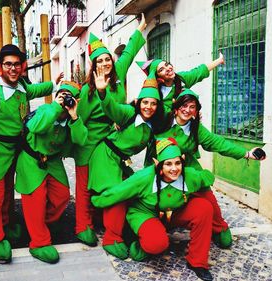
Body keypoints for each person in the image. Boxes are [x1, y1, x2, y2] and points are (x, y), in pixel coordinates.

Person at [0, 44, 61, 263]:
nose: (12, 68)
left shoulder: (21, 86)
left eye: (17, 64)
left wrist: (56, 83)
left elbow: (37, 89)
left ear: (22, 67)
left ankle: (4, 225)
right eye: (8, 64)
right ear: (1, 67)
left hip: (14, 152)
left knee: (7, 195)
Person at [154, 89, 266, 249]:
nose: (187, 110)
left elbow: (218, 143)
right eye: (184, 105)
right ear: (176, 107)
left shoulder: (196, 128)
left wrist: (246, 153)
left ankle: (218, 227)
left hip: (189, 169)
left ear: (196, 110)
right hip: (161, 170)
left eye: (192, 107)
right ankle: (153, 228)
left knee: (208, 199)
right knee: (154, 200)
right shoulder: (163, 121)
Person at [92, 138, 216, 281]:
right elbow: (118, 192)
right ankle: (138, 242)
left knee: (204, 207)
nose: (174, 168)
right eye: (168, 164)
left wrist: (204, 187)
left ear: (182, 160)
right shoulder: (144, 178)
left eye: (177, 163)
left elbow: (207, 177)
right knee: (157, 243)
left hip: (173, 214)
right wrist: (95, 202)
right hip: (145, 214)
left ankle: (198, 262)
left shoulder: (190, 176)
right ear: (157, 164)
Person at [73, 13, 147, 247]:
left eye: (107, 60)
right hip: (89, 143)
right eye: (100, 61)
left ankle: (104, 217)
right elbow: (80, 120)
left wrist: (140, 28)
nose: (105, 64)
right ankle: (82, 225)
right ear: (93, 65)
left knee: (113, 180)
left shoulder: (118, 75)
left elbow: (128, 53)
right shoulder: (88, 91)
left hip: (112, 142)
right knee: (85, 185)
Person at [88, 68, 164, 259]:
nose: (149, 107)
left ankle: (127, 230)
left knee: (134, 191)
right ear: (138, 102)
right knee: (117, 194)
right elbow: (111, 107)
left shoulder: (153, 127)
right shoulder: (128, 113)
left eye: (154, 103)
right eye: (145, 102)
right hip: (105, 156)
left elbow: (151, 156)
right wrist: (102, 92)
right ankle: (111, 238)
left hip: (120, 162)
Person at [15, 81, 86, 263]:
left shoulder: (71, 118)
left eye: (69, 97)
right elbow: (37, 127)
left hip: (52, 162)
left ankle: (40, 224)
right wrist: (56, 105)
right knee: (35, 200)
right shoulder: (46, 110)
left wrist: (75, 116)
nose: (65, 100)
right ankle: (39, 242)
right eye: (62, 95)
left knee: (62, 196)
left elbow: (80, 140)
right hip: (32, 160)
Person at [136, 52, 225, 114]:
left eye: (167, 64)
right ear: (158, 77)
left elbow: (199, 72)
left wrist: (219, 60)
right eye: (161, 70)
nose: (168, 69)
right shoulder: (154, 92)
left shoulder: (180, 78)